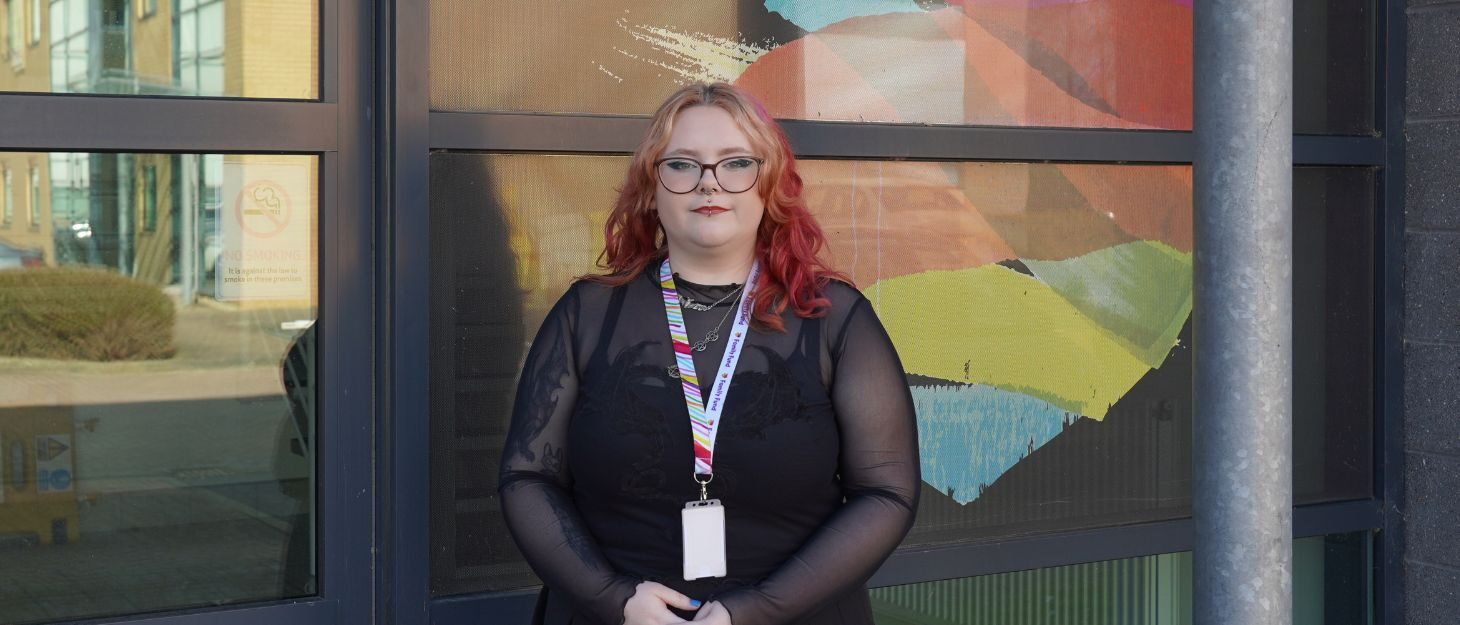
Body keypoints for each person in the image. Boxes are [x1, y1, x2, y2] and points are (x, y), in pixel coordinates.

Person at [498, 82, 919, 625]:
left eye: (736, 163)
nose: (709, 184)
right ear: (652, 188)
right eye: (682, 165)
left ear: (768, 185)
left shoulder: (834, 319)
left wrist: (753, 612)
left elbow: (886, 494)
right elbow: (527, 479)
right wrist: (615, 599)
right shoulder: (588, 314)